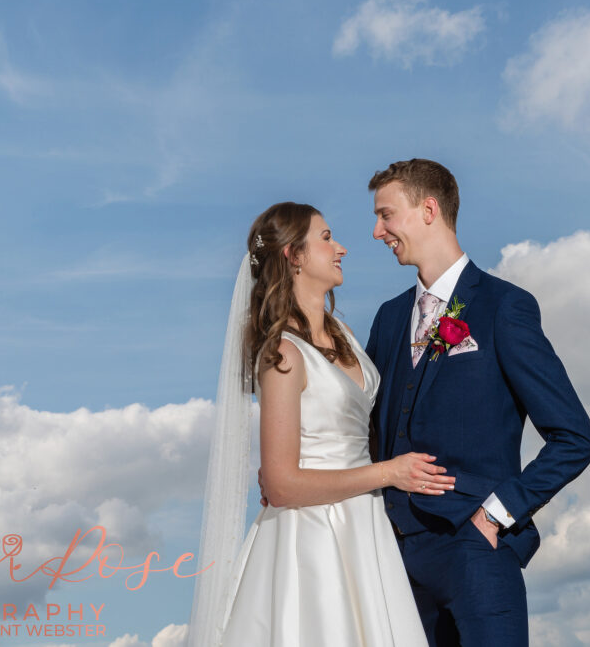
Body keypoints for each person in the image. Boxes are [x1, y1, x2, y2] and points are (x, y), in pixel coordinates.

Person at [188, 202, 450, 647]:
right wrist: (389, 473)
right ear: (294, 255)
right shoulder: (283, 355)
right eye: (326, 238)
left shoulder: (344, 336)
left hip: (365, 526)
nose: (341, 248)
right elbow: (283, 483)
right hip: (312, 535)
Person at [366, 159, 590, 646]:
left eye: (386, 215)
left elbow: (574, 437)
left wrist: (495, 514)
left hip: (475, 547)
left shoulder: (503, 306)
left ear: (428, 210)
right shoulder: (387, 320)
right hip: (391, 560)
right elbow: (367, 435)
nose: (376, 231)